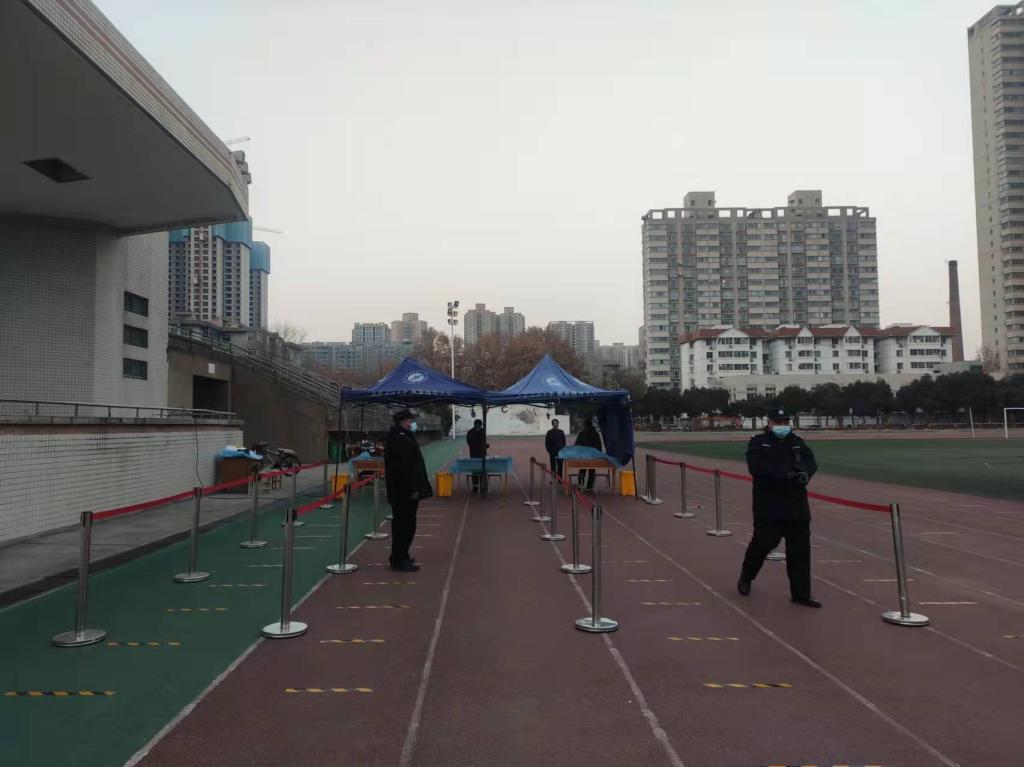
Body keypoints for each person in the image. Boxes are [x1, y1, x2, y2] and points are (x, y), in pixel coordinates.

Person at [737, 408, 821, 608]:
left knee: (800, 551)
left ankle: (801, 594)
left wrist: (804, 473)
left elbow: (811, 462)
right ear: (769, 423)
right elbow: (756, 468)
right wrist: (784, 475)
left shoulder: (798, 442)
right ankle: (747, 575)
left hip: (796, 506)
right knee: (762, 544)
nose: (782, 426)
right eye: (778, 422)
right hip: (769, 505)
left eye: (785, 422)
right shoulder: (759, 442)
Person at [384, 409, 433, 572]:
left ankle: (400, 556)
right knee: (405, 526)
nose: (412, 423)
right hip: (404, 491)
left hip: (402, 490)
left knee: (403, 525)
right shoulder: (401, 439)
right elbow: (404, 468)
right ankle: (400, 559)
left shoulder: (401, 436)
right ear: (403, 422)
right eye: (410, 420)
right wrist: (412, 489)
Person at [574, 416, 603, 490]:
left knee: (582, 470)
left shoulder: (581, 433)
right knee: (591, 471)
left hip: (583, 456)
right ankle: (590, 486)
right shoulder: (596, 434)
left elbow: (577, 445)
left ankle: (580, 484)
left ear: (585, 425)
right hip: (592, 456)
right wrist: (598, 454)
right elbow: (599, 446)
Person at [466, 418, 488, 492]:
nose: (479, 427)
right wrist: (480, 446)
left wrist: (486, 446)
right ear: (475, 425)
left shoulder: (482, 431)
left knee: (483, 470)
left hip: (482, 454)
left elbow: (484, 442)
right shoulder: (470, 432)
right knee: (475, 470)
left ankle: (483, 486)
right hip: (474, 454)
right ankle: (475, 487)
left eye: (480, 426)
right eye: (478, 426)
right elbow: (469, 443)